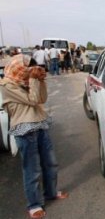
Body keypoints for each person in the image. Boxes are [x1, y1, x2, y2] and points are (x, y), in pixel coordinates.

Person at [0, 55, 68, 218]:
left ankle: (51, 192)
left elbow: (42, 99)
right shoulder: (7, 85)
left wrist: (41, 80)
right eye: (28, 68)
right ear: (20, 68)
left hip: (40, 125)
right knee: (32, 169)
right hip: (25, 130)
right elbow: (33, 99)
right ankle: (34, 204)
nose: (31, 71)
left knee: (50, 163)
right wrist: (33, 79)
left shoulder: (27, 81)